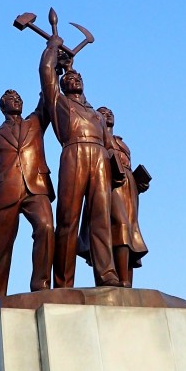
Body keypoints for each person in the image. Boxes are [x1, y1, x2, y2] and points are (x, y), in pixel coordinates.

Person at [39, 39, 118, 288]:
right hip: (74, 152)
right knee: (68, 219)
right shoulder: (59, 103)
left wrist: (117, 165)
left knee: (101, 218)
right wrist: (52, 49)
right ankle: (63, 282)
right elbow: (45, 72)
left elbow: (110, 145)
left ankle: (106, 273)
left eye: (78, 78)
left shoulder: (95, 114)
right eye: (69, 78)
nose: (75, 80)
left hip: (99, 158)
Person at [0, 89, 55, 304]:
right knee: (1, 249)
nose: (16, 101)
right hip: (6, 193)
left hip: (36, 187)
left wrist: (54, 67)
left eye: (19, 98)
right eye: (11, 99)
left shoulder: (35, 123)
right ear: (2, 106)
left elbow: (47, 95)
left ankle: (40, 286)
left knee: (46, 227)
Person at [79, 108, 149, 286]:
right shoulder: (97, 137)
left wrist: (138, 182)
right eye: (102, 112)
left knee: (131, 231)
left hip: (128, 188)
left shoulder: (120, 141)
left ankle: (127, 281)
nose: (108, 114)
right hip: (107, 183)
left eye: (110, 112)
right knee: (121, 226)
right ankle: (117, 278)